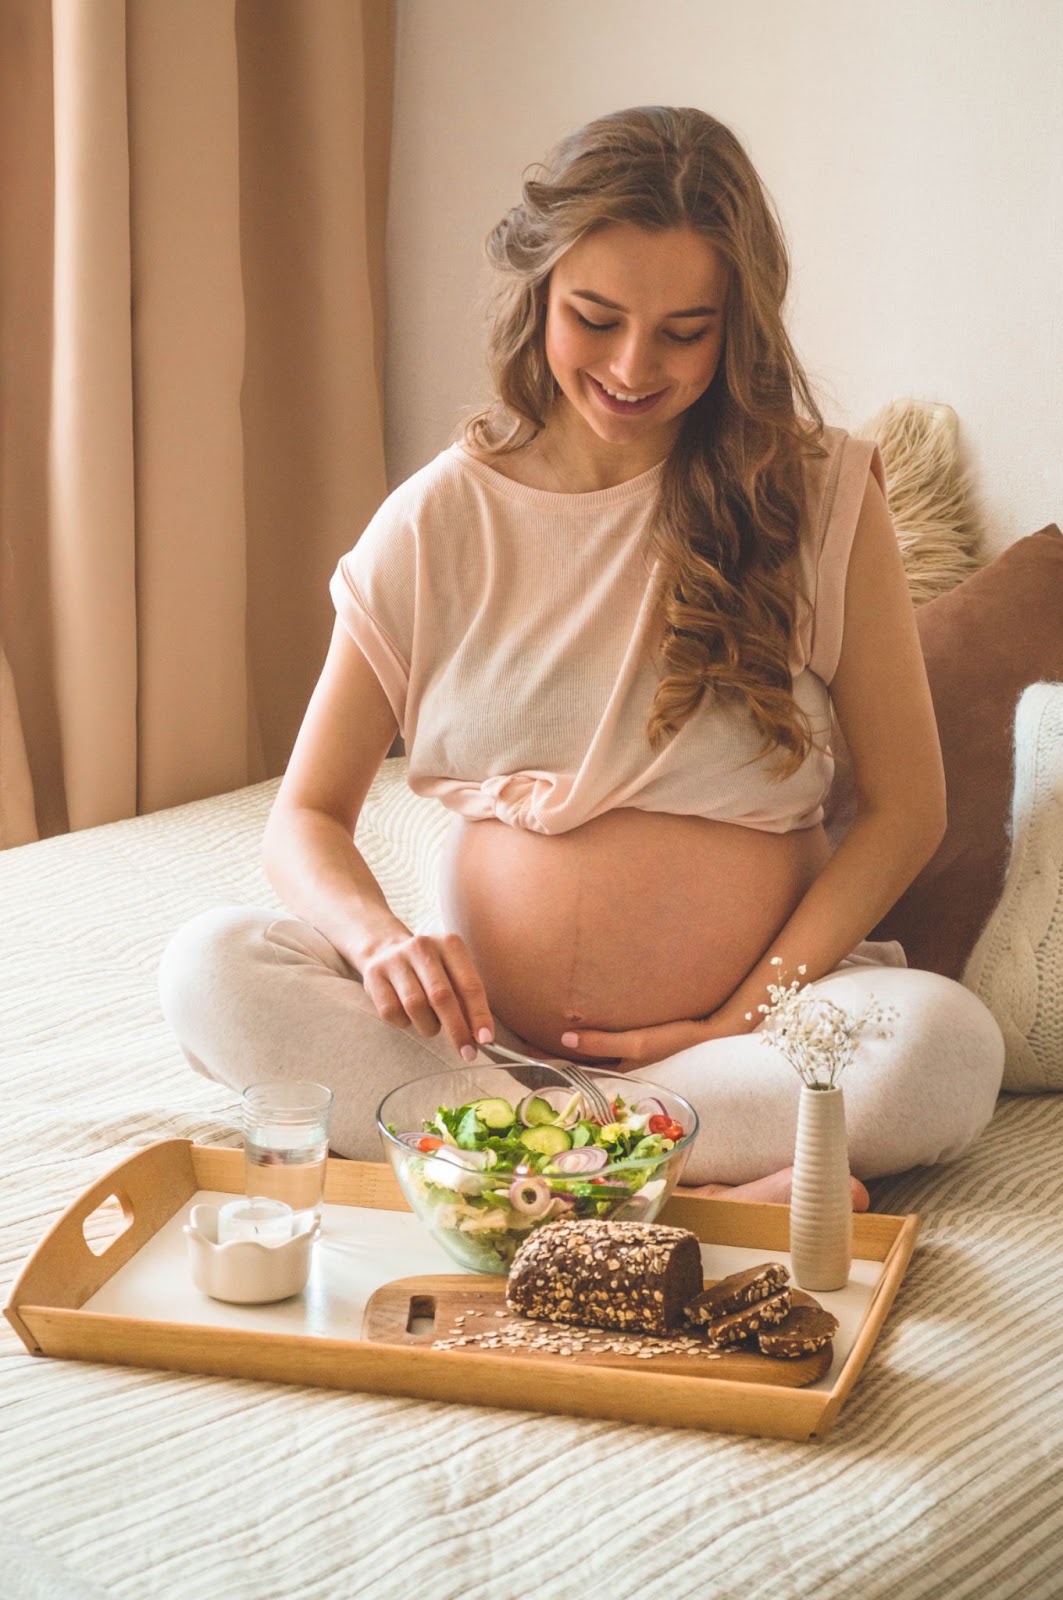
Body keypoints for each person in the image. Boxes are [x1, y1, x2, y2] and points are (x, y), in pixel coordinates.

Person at [159, 106, 1004, 1204]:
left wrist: (740, 1014)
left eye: (684, 330)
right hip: (478, 1051)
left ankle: (509, 1168)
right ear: (538, 291)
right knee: (211, 969)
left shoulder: (818, 496)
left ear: (737, 324)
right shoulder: (436, 521)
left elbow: (908, 809)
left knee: (941, 1046)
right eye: (594, 317)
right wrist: (378, 944)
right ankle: (641, 1170)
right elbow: (305, 815)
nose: (631, 365)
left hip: (727, 1043)